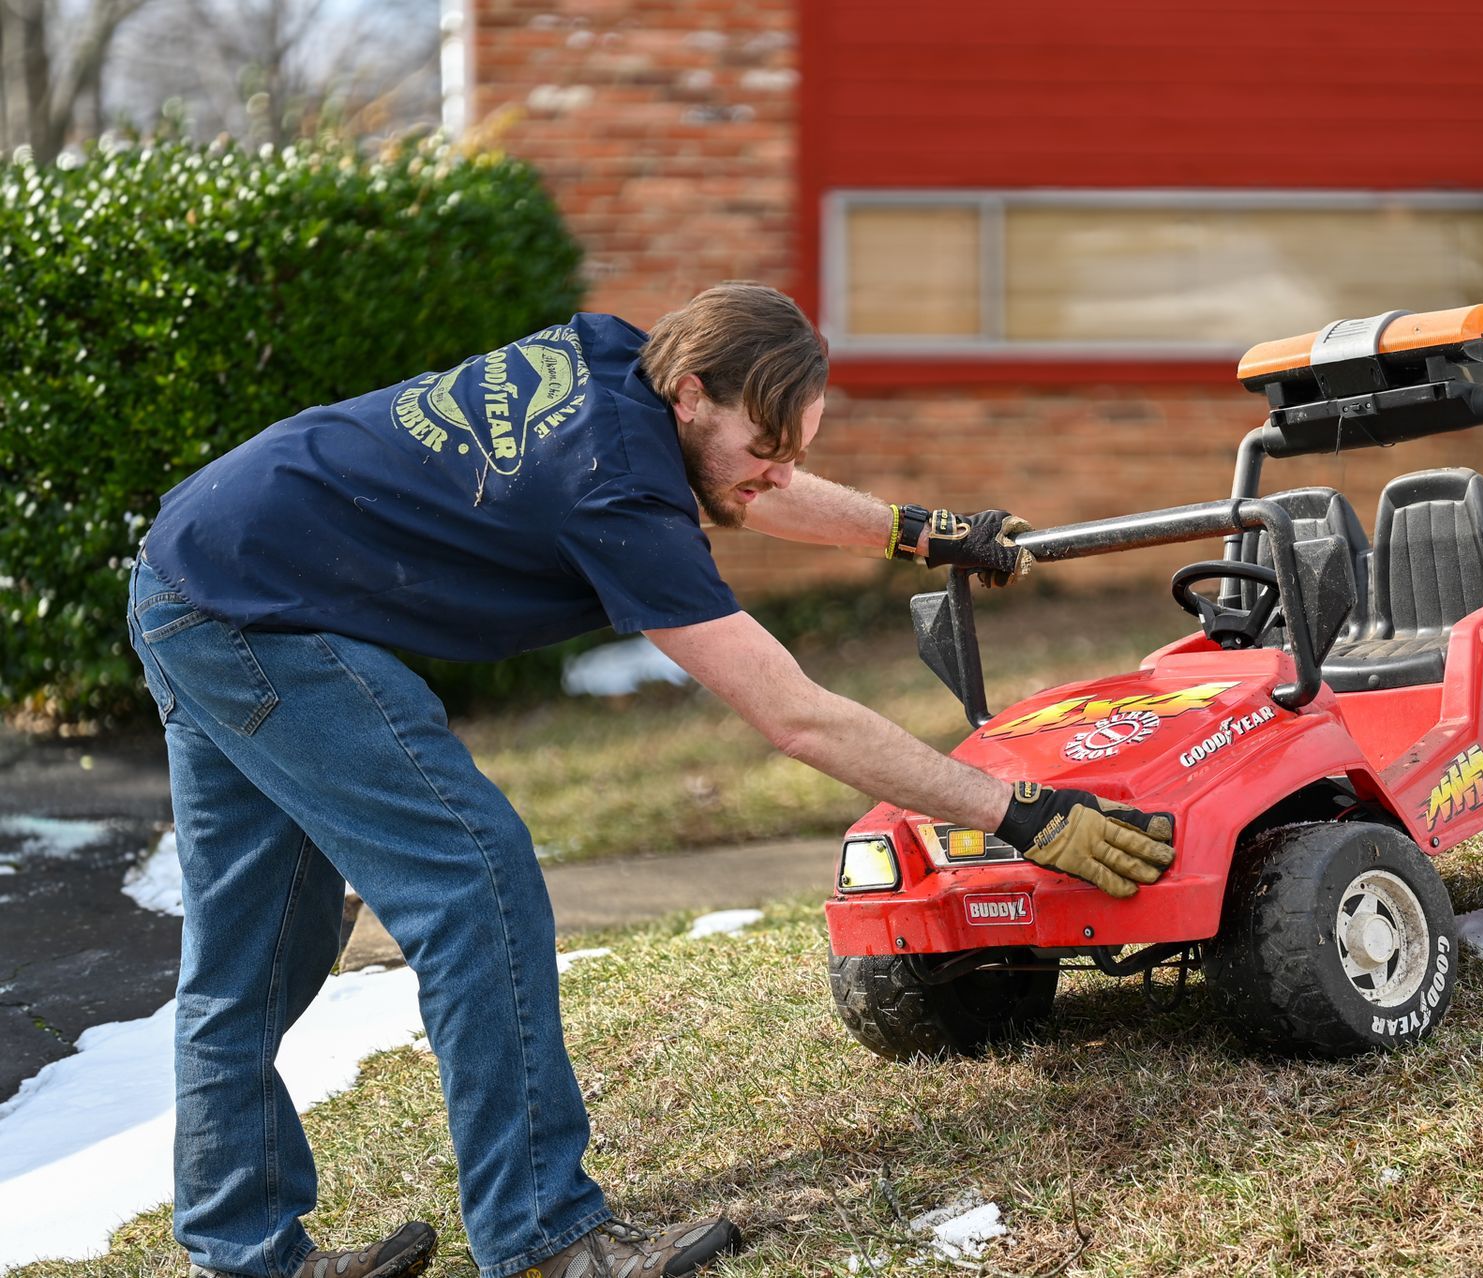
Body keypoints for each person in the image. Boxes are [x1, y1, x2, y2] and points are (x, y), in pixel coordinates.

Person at [125, 282, 1177, 1278]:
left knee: (254, 951)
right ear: (693, 393)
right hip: (259, 617)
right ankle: (545, 1236)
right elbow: (797, 715)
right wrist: (1022, 814)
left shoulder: (623, 358)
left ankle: (246, 1248)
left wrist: (914, 531)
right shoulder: (614, 487)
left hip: (195, 570)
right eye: (766, 446)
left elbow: (743, 484)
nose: (774, 472)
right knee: (475, 885)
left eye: (792, 450)